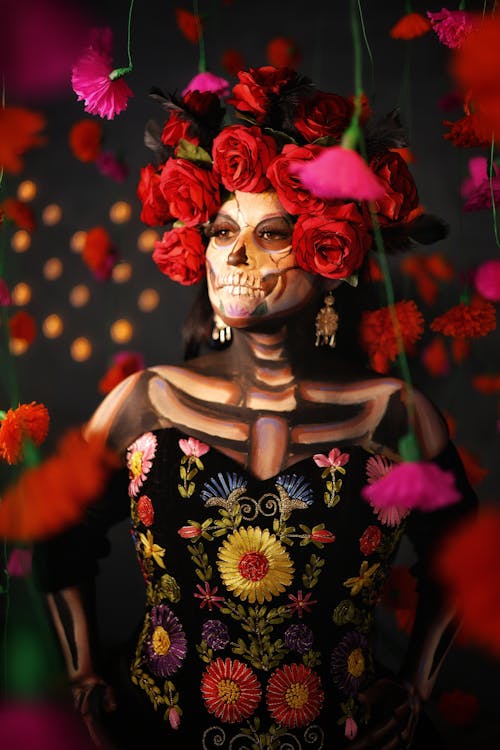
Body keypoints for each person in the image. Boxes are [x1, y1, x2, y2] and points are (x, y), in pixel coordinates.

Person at [33, 66, 477, 750]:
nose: (236, 255)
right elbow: (59, 538)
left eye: (270, 234)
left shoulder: (392, 415)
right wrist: (83, 677)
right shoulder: (147, 402)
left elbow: (461, 557)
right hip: (158, 733)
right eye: (219, 230)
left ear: (331, 252)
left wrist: (416, 687)